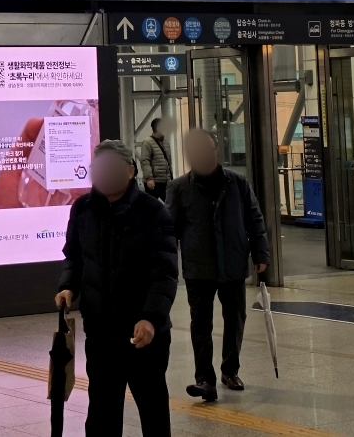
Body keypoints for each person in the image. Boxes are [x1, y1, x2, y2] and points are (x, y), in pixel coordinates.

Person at [55, 140, 178, 437]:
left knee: (153, 411)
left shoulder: (153, 213)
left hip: (143, 335)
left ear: (129, 171)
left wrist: (151, 317)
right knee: (102, 413)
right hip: (100, 333)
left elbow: (165, 272)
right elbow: (74, 255)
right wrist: (68, 286)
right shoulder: (83, 208)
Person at [166, 129, 269, 403]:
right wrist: (166, 265)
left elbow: (254, 219)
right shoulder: (179, 188)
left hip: (233, 264)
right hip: (199, 269)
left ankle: (230, 370)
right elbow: (169, 231)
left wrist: (261, 253)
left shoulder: (237, 183)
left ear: (215, 152)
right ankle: (204, 379)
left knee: (235, 320)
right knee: (201, 324)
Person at [139, 117, 175, 201]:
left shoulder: (165, 142)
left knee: (170, 204)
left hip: (166, 181)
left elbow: (168, 161)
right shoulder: (147, 142)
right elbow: (145, 161)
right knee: (151, 206)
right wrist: (149, 178)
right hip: (154, 181)